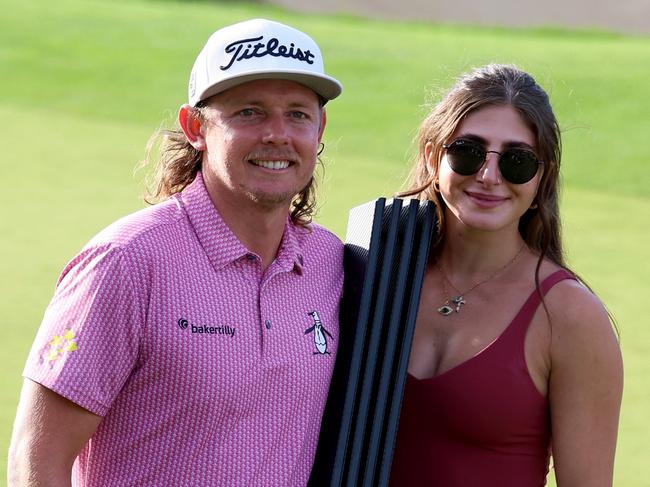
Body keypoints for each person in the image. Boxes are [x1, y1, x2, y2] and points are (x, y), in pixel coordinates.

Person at [8, 18, 344, 486]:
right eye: (249, 112)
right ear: (195, 127)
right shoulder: (125, 262)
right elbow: (36, 460)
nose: (277, 134)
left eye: (297, 113)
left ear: (320, 126)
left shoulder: (329, 262)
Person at [389, 64, 623, 486]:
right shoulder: (380, 273)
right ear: (432, 157)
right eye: (468, 151)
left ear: (541, 178)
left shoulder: (569, 317)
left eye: (517, 161)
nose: (488, 176)